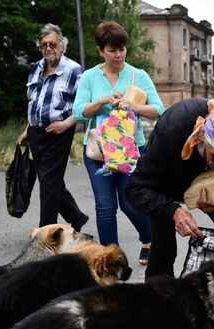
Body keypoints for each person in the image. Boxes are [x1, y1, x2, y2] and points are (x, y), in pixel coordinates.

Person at [125, 97, 214, 280]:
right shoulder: (171, 129)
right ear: (204, 137)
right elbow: (136, 188)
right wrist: (173, 211)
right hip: (166, 181)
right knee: (164, 249)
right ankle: (158, 298)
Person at [73, 21, 164, 265]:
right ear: (100, 50)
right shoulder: (90, 77)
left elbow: (159, 110)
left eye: (122, 48)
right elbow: (79, 112)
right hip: (98, 151)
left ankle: (149, 239)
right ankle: (110, 261)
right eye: (112, 49)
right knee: (105, 207)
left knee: (130, 202)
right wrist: (103, 100)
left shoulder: (138, 75)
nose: (118, 54)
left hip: (131, 150)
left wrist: (133, 106)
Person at [17, 23, 88, 231]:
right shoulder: (35, 68)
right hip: (36, 133)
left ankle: (45, 233)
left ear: (62, 45)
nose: (48, 48)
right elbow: (34, 103)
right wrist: (27, 130)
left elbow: (84, 106)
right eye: (44, 45)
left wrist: (65, 124)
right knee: (51, 181)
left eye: (53, 44)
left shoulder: (74, 70)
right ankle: (77, 217)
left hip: (60, 133)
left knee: (48, 184)